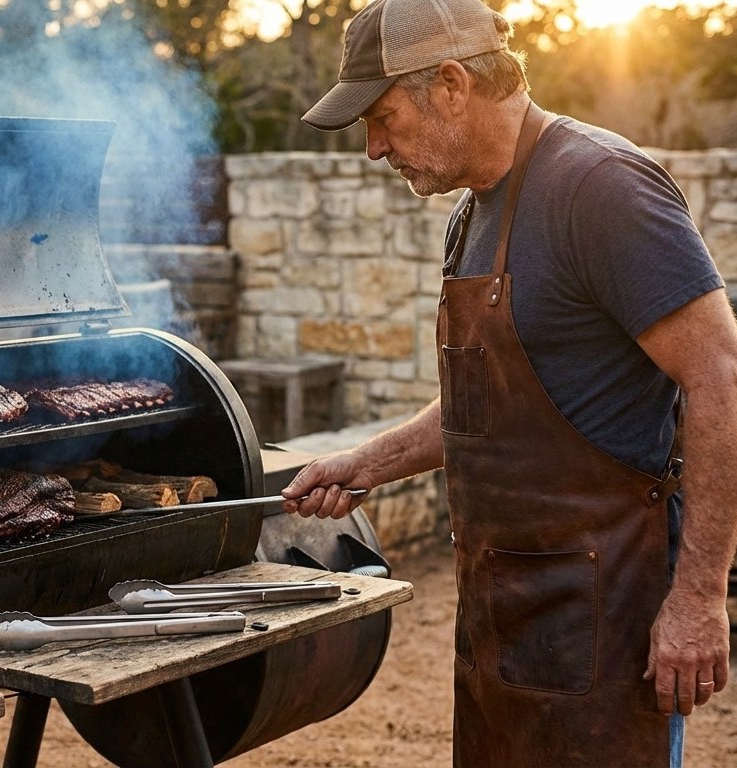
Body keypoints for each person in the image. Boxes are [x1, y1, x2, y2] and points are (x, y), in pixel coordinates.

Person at [286, 0, 737, 765]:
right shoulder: (473, 214)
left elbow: (719, 376)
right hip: (502, 615)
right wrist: (365, 464)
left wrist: (698, 597)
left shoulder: (601, 187)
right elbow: (486, 404)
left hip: (606, 615)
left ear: (453, 83)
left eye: (383, 117)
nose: (372, 148)